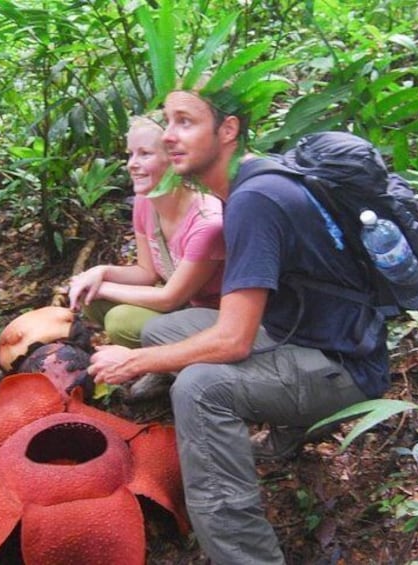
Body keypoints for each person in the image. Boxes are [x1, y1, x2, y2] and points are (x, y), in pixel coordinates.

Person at [87, 88, 390, 563]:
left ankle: (245, 556)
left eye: (185, 122)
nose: (169, 136)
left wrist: (133, 362)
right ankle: (290, 426)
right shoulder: (255, 181)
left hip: (342, 365)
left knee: (200, 388)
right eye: (167, 122)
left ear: (227, 131)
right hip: (306, 332)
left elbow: (232, 340)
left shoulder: (254, 200)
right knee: (167, 329)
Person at [69, 115, 225, 399]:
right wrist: (99, 272)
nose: (132, 164)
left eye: (145, 154)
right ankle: (165, 369)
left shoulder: (207, 220)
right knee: (93, 300)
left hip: (217, 319)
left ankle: (176, 369)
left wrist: (104, 285)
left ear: (173, 160)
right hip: (183, 306)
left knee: (119, 319)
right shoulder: (146, 200)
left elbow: (170, 298)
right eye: (130, 154)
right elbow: (146, 272)